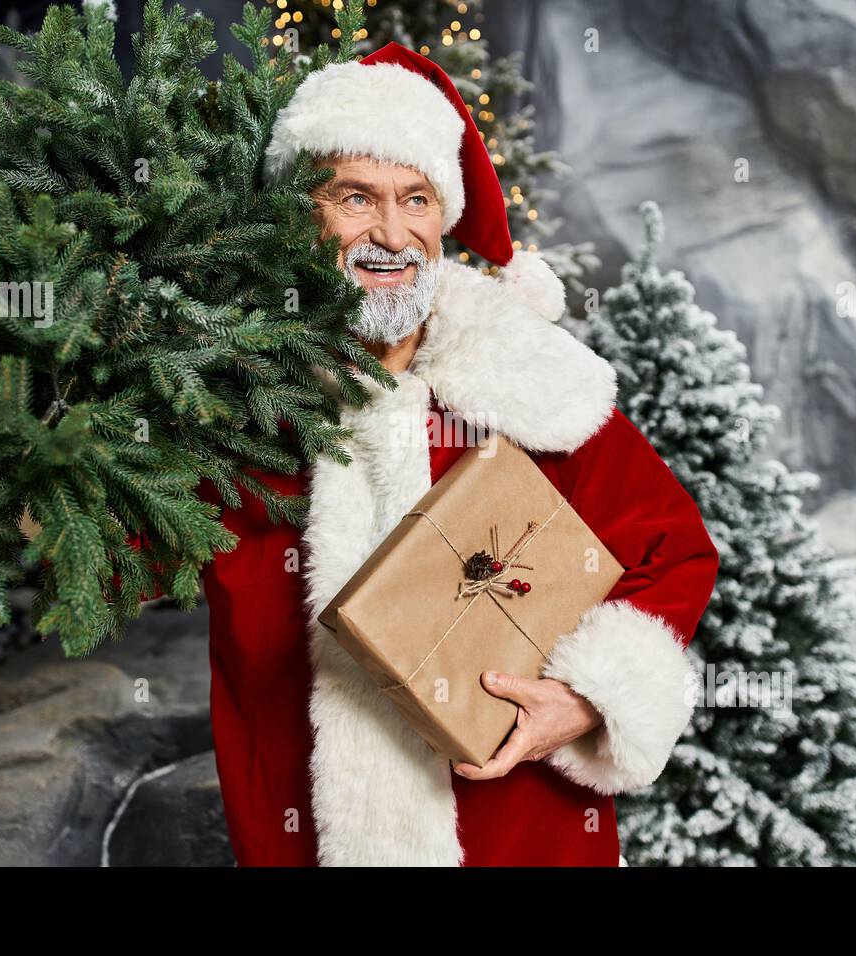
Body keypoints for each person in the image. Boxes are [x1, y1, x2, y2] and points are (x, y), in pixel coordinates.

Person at [170, 42, 716, 866]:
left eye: (415, 199)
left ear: (442, 215)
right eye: (356, 198)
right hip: (299, 839)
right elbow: (101, 557)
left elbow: (673, 550)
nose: (392, 234)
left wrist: (587, 699)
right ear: (300, 216)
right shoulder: (230, 405)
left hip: (524, 838)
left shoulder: (531, 385)